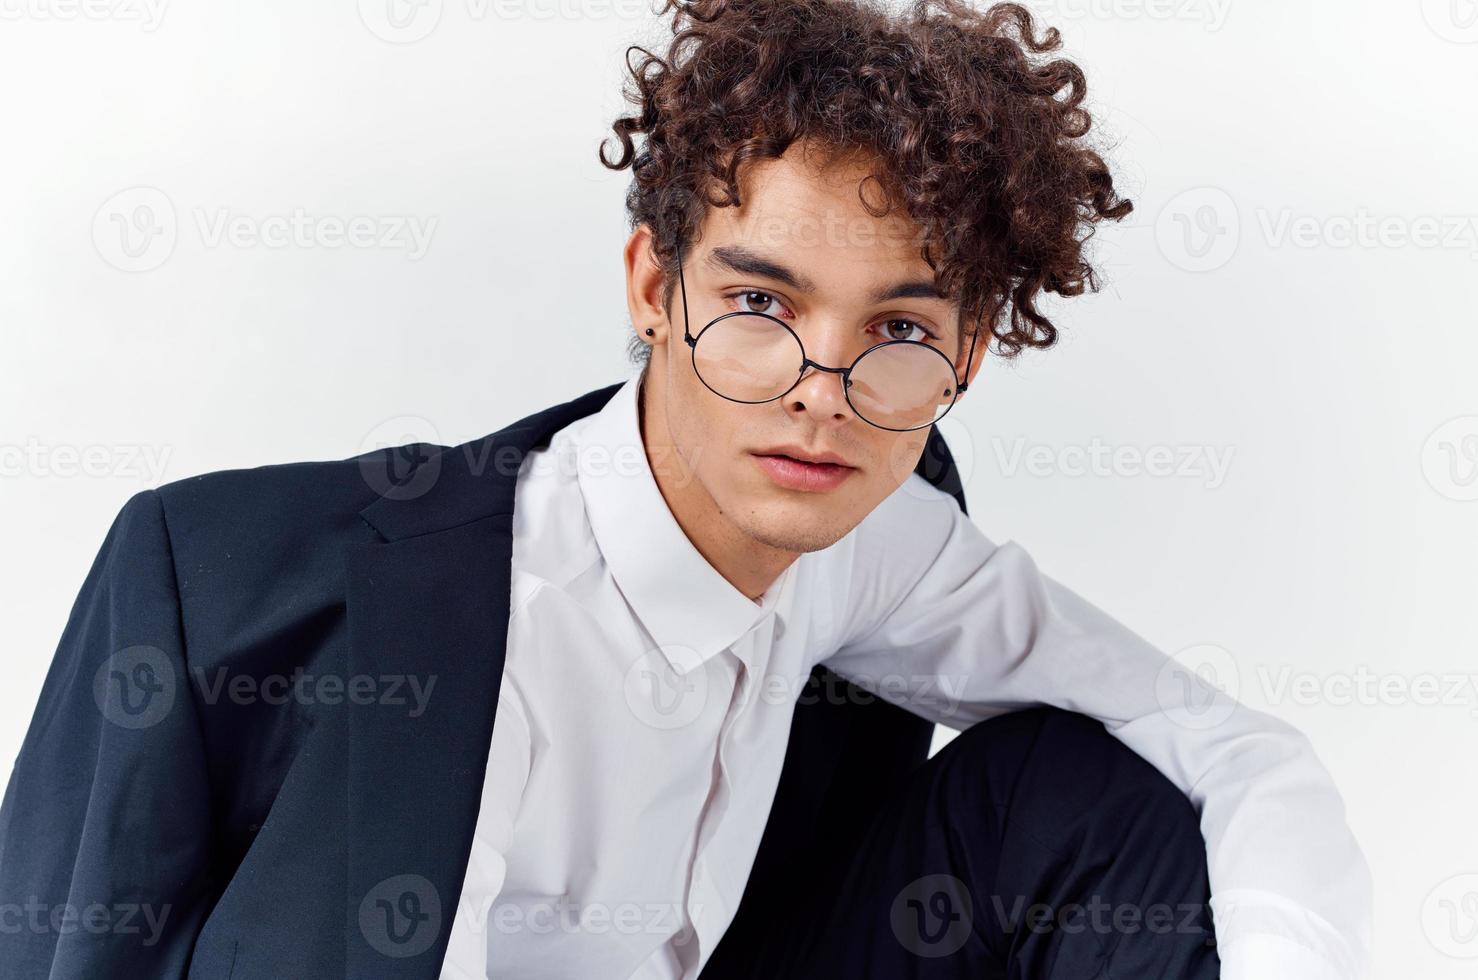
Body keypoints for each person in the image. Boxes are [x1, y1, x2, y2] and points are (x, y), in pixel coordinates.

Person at [0, 1, 1371, 978]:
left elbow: (1237, 754)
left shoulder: (877, 529)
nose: (819, 391)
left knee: (1090, 796)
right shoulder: (259, 581)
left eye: (896, 329)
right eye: (760, 302)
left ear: (963, 350)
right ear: (655, 289)